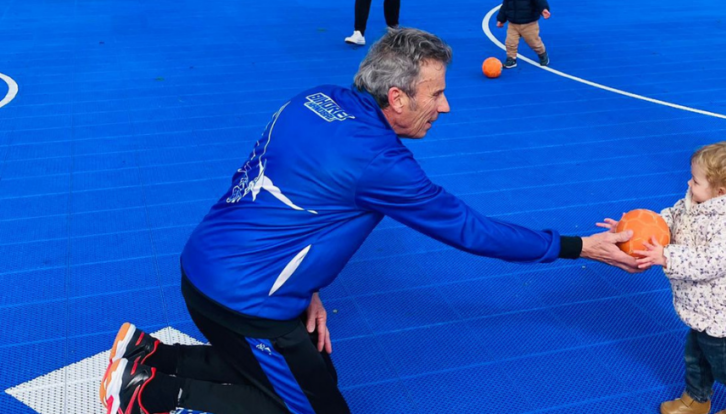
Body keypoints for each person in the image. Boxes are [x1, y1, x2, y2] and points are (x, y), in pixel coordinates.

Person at [99, 29, 639, 414]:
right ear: (397, 97)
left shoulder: (316, 99)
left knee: (314, 374)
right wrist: (580, 247)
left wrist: (305, 287)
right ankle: (149, 394)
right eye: (438, 94)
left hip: (210, 265)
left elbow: (283, 192)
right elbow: (472, 231)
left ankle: (152, 354)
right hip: (244, 302)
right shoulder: (381, 164)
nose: (445, 107)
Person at [615, 142, 726, 414]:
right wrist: (637, 228)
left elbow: (710, 262)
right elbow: (674, 217)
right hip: (704, 309)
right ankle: (696, 400)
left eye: (696, 180)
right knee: (696, 358)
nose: (689, 183)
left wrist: (666, 256)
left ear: (720, 192)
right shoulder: (697, 201)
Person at [496, 0, 550, 69]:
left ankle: (542, 54)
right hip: (513, 24)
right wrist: (501, 19)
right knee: (510, 43)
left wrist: (544, 9)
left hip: (529, 23)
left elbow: (540, 0)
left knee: (534, 43)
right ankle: (511, 59)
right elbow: (505, 6)